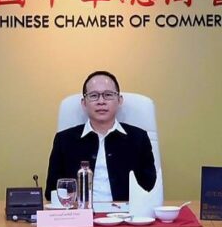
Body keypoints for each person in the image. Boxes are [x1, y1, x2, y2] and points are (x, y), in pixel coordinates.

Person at [46, 70, 156, 203]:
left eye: (108, 95)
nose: (101, 101)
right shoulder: (64, 140)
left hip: (127, 213)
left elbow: (150, 187)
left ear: (119, 100)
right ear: (84, 103)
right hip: (79, 213)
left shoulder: (139, 138)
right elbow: (52, 191)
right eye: (94, 96)